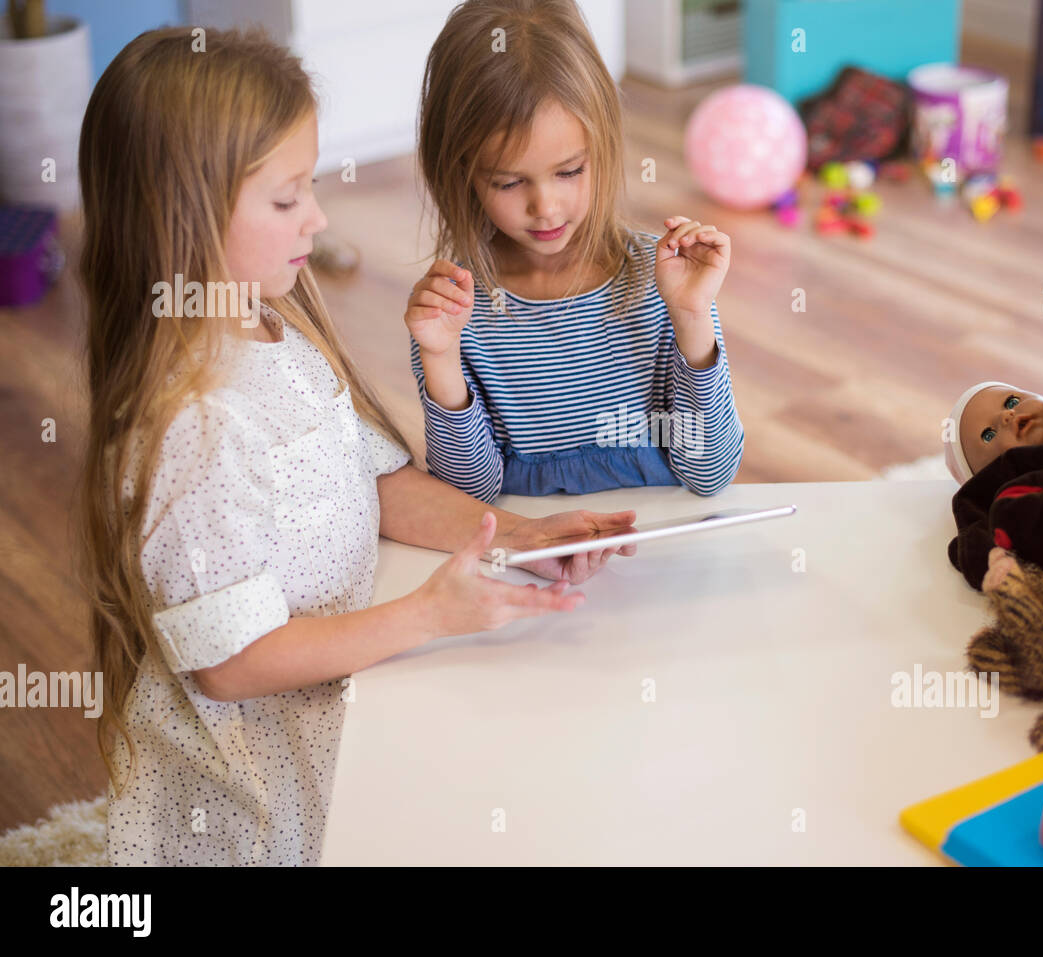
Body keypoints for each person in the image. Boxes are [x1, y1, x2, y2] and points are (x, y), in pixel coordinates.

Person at [77, 27, 634, 865]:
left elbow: (381, 482)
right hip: (251, 796)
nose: (318, 215)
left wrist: (516, 537)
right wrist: (423, 616)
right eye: (286, 197)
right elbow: (230, 662)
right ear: (179, 212)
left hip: (336, 701)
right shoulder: (190, 423)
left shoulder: (274, 327)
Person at [406, 0, 744, 502]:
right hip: (533, 561)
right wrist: (440, 359)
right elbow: (470, 494)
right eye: (508, 181)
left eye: (569, 171)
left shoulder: (663, 281)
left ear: (604, 146)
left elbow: (710, 472)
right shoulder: (455, 312)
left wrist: (692, 316)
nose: (545, 207)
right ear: (462, 175)